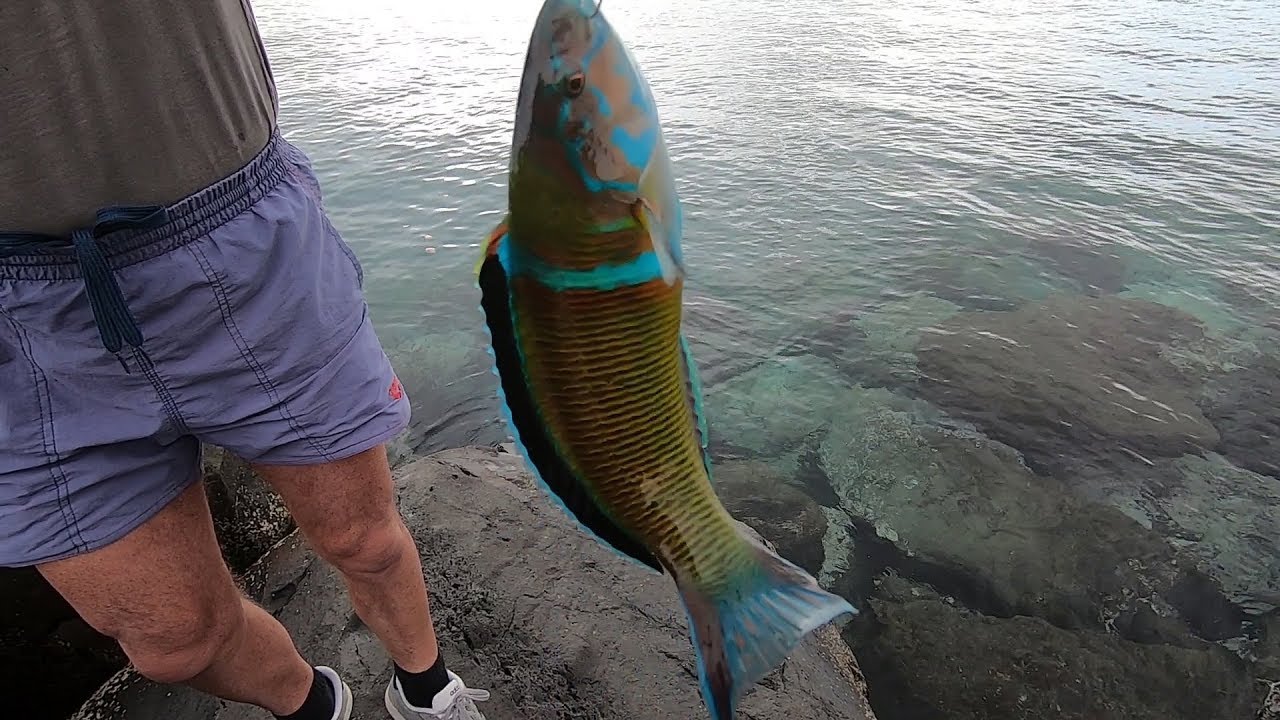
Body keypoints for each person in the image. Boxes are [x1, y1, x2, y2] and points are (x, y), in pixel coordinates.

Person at [0, 3, 489, 719]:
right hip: (19, 331)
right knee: (173, 642)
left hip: (236, 236)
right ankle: (315, 704)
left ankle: (425, 688)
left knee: (367, 540)